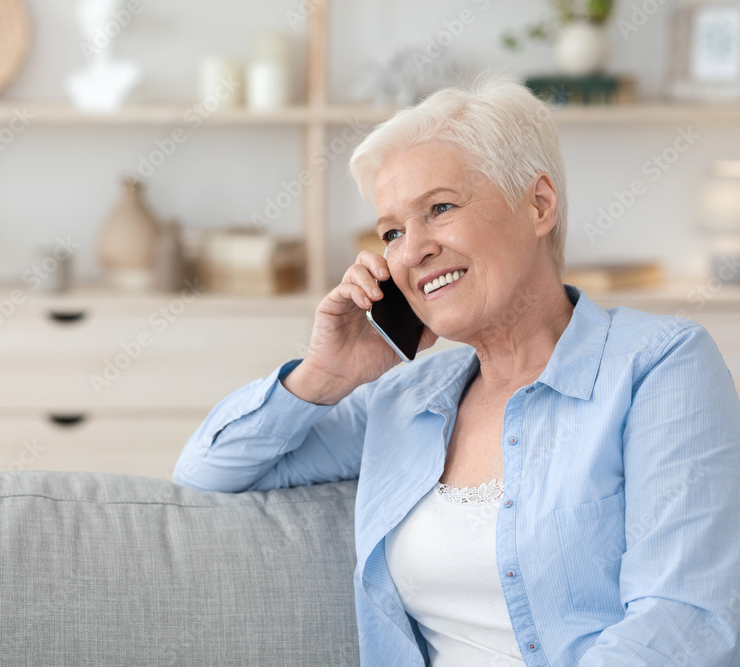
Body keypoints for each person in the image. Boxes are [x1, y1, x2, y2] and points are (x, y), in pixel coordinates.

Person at [172, 71, 740, 666]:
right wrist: (321, 376)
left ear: (538, 204)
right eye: (392, 231)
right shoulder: (404, 399)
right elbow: (205, 472)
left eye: (439, 208)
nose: (412, 250)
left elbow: (683, 621)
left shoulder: (658, 365)